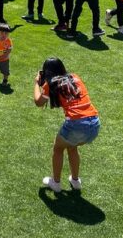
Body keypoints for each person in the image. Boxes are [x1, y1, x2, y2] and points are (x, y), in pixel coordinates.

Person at [33, 57, 100, 193]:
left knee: (58, 148)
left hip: (77, 124)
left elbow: (38, 102)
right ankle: (75, 181)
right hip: (94, 123)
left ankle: (56, 183)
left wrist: (36, 84)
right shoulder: (75, 77)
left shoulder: (50, 84)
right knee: (72, 147)